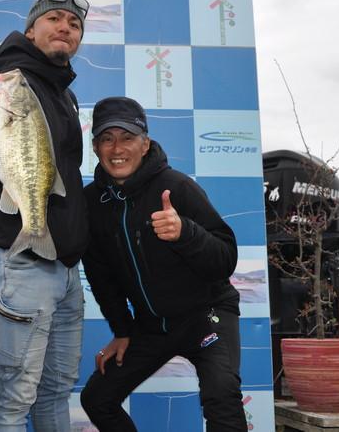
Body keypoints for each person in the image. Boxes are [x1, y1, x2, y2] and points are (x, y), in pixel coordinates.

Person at [79, 97, 247, 431]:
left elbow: (225, 259)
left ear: (144, 144)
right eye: (107, 139)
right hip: (152, 325)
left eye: (127, 138)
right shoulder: (91, 202)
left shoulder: (177, 186)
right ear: (95, 147)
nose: (117, 148)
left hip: (207, 314)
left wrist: (186, 233)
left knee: (222, 396)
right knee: (97, 399)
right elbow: (100, 274)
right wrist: (122, 330)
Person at [0, 0, 91, 431]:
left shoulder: (63, 92)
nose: (65, 27)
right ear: (30, 31)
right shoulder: (13, 79)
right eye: (54, 18)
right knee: (15, 396)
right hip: (23, 263)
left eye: (74, 24)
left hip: (65, 266)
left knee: (56, 389)